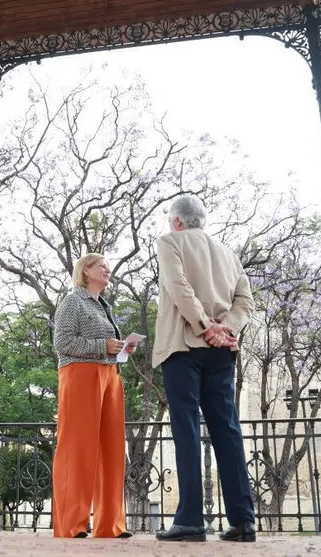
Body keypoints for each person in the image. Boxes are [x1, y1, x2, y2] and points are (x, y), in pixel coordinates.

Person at [151, 196, 257, 543]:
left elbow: (178, 288)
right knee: (227, 430)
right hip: (222, 351)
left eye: (171, 220)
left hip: (183, 344)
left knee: (186, 429)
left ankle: (191, 520)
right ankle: (243, 520)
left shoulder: (169, 242)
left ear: (178, 222)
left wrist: (203, 326)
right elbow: (246, 301)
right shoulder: (228, 252)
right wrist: (226, 328)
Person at [51, 253, 136, 539]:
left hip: (110, 376)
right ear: (85, 271)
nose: (107, 269)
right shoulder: (72, 301)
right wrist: (104, 345)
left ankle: (110, 524)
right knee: (77, 448)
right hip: (80, 375)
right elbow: (61, 343)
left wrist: (121, 348)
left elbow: (105, 345)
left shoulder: (104, 305)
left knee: (112, 449)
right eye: (102, 265)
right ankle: (71, 523)